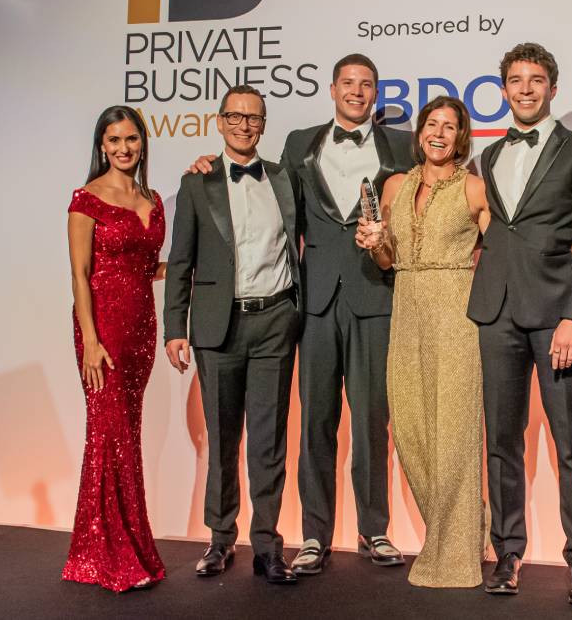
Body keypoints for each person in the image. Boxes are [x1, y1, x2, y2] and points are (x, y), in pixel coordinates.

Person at [186, 54, 414, 574]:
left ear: (377, 92)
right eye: (348, 83)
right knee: (315, 420)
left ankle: (375, 529)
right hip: (312, 302)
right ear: (332, 89)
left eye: (367, 84)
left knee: (372, 419)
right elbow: (261, 190)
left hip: (375, 297)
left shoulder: (401, 146)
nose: (357, 91)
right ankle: (315, 534)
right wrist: (207, 166)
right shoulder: (298, 144)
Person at [468, 43, 572, 603]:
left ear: (552, 88)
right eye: (515, 80)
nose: (525, 89)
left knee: (571, 439)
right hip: (495, 312)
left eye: (535, 80)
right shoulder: (488, 156)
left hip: (557, 316)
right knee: (501, 441)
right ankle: (507, 553)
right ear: (503, 89)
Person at [163, 85, 302, 584]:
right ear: (219, 122)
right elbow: (180, 261)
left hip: (274, 322)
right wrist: (174, 327)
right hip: (217, 327)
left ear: (263, 124)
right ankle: (221, 539)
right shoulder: (196, 183)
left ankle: (267, 546)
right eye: (235, 117)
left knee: (269, 443)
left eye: (254, 118)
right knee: (223, 441)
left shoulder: (285, 179)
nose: (245, 125)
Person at [355, 96, 490, 587]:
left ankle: (454, 553)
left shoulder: (474, 188)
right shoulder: (395, 185)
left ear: (461, 137)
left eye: (449, 127)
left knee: (454, 435)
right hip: (406, 310)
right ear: (420, 132)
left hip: (456, 315)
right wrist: (375, 243)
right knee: (411, 430)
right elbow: (388, 260)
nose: (439, 134)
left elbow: (502, 251)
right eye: (432, 124)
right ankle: (463, 532)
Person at [63, 105, 166, 592]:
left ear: (142, 142)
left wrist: (193, 269)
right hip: (102, 331)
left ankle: (119, 548)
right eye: (114, 140)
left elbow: (147, 267)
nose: (124, 148)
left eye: (131, 139)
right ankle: (108, 558)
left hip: (141, 328)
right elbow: (79, 275)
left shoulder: (152, 198)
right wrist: (90, 341)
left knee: (127, 436)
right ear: (101, 146)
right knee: (108, 436)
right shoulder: (87, 200)